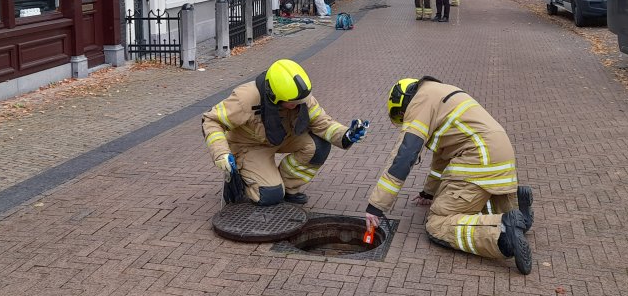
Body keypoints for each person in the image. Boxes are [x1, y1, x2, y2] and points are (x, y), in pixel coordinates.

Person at [364, 77, 534, 274]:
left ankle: (502, 232)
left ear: (402, 106)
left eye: (403, 117)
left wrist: (376, 206)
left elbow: (405, 156)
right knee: (481, 203)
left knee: (437, 223)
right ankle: (515, 207)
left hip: (478, 160)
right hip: (501, 158)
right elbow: (441, 159)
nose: (406, 119)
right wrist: (428, 193)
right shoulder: (441, 94)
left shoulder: (420, 103)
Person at [202, 59, 369, 206]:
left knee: (319, 146)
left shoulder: (300, 97)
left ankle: (289, 186)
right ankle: (244, 177)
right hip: (251, 146)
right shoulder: (245, 98)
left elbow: (322, 123)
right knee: (269, 196)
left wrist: (346, 134)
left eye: (301, 102)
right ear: (275, 96)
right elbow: (211, 120)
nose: (299, 105)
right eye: (292, 103)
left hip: (283, 138)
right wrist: (221, 154)